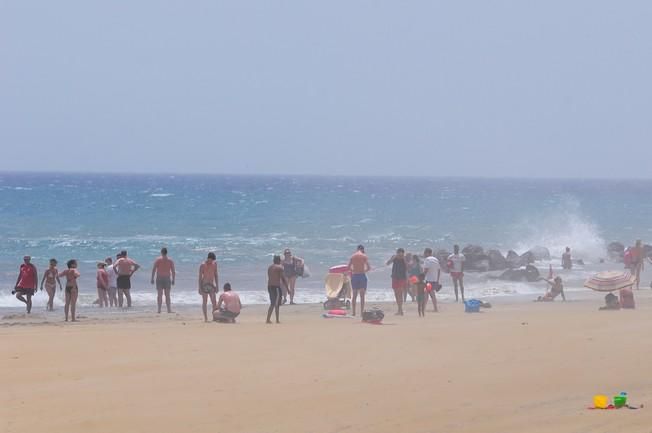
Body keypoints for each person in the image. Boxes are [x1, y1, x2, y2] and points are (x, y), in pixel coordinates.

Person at [151, 247, 176, 313]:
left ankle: (159, 309)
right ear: (166, 252)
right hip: (167, 278)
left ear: (161, 252)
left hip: (159, 278)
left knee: (159, 294)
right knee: (167, 295)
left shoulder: (158, 260)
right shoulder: (170, 260)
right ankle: (169, 310)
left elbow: (154, 269)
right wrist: (173, 279)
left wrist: (152, 278)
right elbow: (173, 271)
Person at [348, 245, 370, 316]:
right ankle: (361, 312)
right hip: (362, 276)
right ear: (363, 249)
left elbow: (348, 267)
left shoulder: (352, 256)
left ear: (357, 249)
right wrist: (364, 270)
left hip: (354, 276)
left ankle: (354, 312)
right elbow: (369, 267)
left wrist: (354, 270)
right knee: (362, 296)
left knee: (354, 295)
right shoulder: (364, 256)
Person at [386, 248, 408, 315]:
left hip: (402, 277)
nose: (400, 255)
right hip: (395, 277)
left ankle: (400, 310)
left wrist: (404, 259)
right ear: (397, 253)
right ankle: (399, 309)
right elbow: (387, 263)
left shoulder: (404, 258)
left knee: (400, 293)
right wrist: (394, 258)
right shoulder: (394, 257)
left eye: (402, 253)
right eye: (399, 253)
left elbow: (408, 267)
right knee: (396, 293)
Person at [198, 252, 219, 322]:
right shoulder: (202, 265)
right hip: (204, 285)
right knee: (205, 301)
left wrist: (217, 285)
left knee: (214, 302)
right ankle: (206, 318)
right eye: (211, 260)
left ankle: (214, 317)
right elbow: (200, 278)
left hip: (211, 285)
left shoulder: (214, 264)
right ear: (208, 258)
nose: (212, 262)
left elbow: (216, 275)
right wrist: (199, 288)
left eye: (213, 260)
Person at [267, 255, 287, 324]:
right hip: (276, 287)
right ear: (279, 261)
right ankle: (277, 320)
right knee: (277, 304)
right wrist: (288, 289)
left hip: (269, 287)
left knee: (272, 303)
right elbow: (283, 279)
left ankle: (268, 319)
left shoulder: (270, 267)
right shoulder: (280, 267)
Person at [422, 248, 441, 312]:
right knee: (430, 294)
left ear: (427, 253)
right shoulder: (436, 259)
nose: (424, 254)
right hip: (434, 279)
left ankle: (425, 308)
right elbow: (439, 270)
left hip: (429, 280)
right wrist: (437, 280)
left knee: (427, 294)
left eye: (425, 252)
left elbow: (426, 270)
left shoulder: (427, 259)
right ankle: (435, 308)